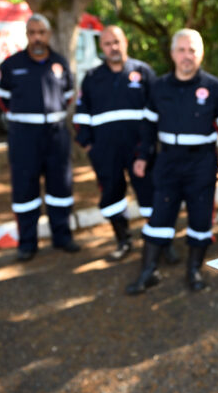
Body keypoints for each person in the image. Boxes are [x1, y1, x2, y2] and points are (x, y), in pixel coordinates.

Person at [126, 28, 218, 294]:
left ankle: (194, 270)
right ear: (173, 53)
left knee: (201, 219)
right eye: (182, 50)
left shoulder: (213, 87)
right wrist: (142, 156)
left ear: (200, 54)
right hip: (167, 161)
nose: (187, 56)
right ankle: (148, 271)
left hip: (202, 163)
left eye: (192, 50)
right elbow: (147, 127)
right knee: (159, 216)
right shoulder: (159, 86)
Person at [74, 25, 177, 263]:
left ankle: (162, 243)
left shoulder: (143, 72)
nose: (113, 48)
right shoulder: (92, 77)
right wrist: (90, 146)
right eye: (108, 44)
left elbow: (158, 112)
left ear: (126, 42)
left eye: (117, 42)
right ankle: (123, 241)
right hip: (105, 152)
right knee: (112, 197)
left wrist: (150, 147)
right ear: (102, 47)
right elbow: (81, 116)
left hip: (141, 151)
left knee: (151, 197)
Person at [0, 14, 80, 261]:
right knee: (24, 189)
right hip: (24, 137)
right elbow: (3, 100)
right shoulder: (11, 65)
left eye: (41, 32)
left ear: (49, 35)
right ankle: (27, 243)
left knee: (60, 188)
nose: (37, 38)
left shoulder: (60, 63)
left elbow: (68, 96)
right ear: (27, 35)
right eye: (32, 33)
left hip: (56, 136)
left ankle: (62, 237)